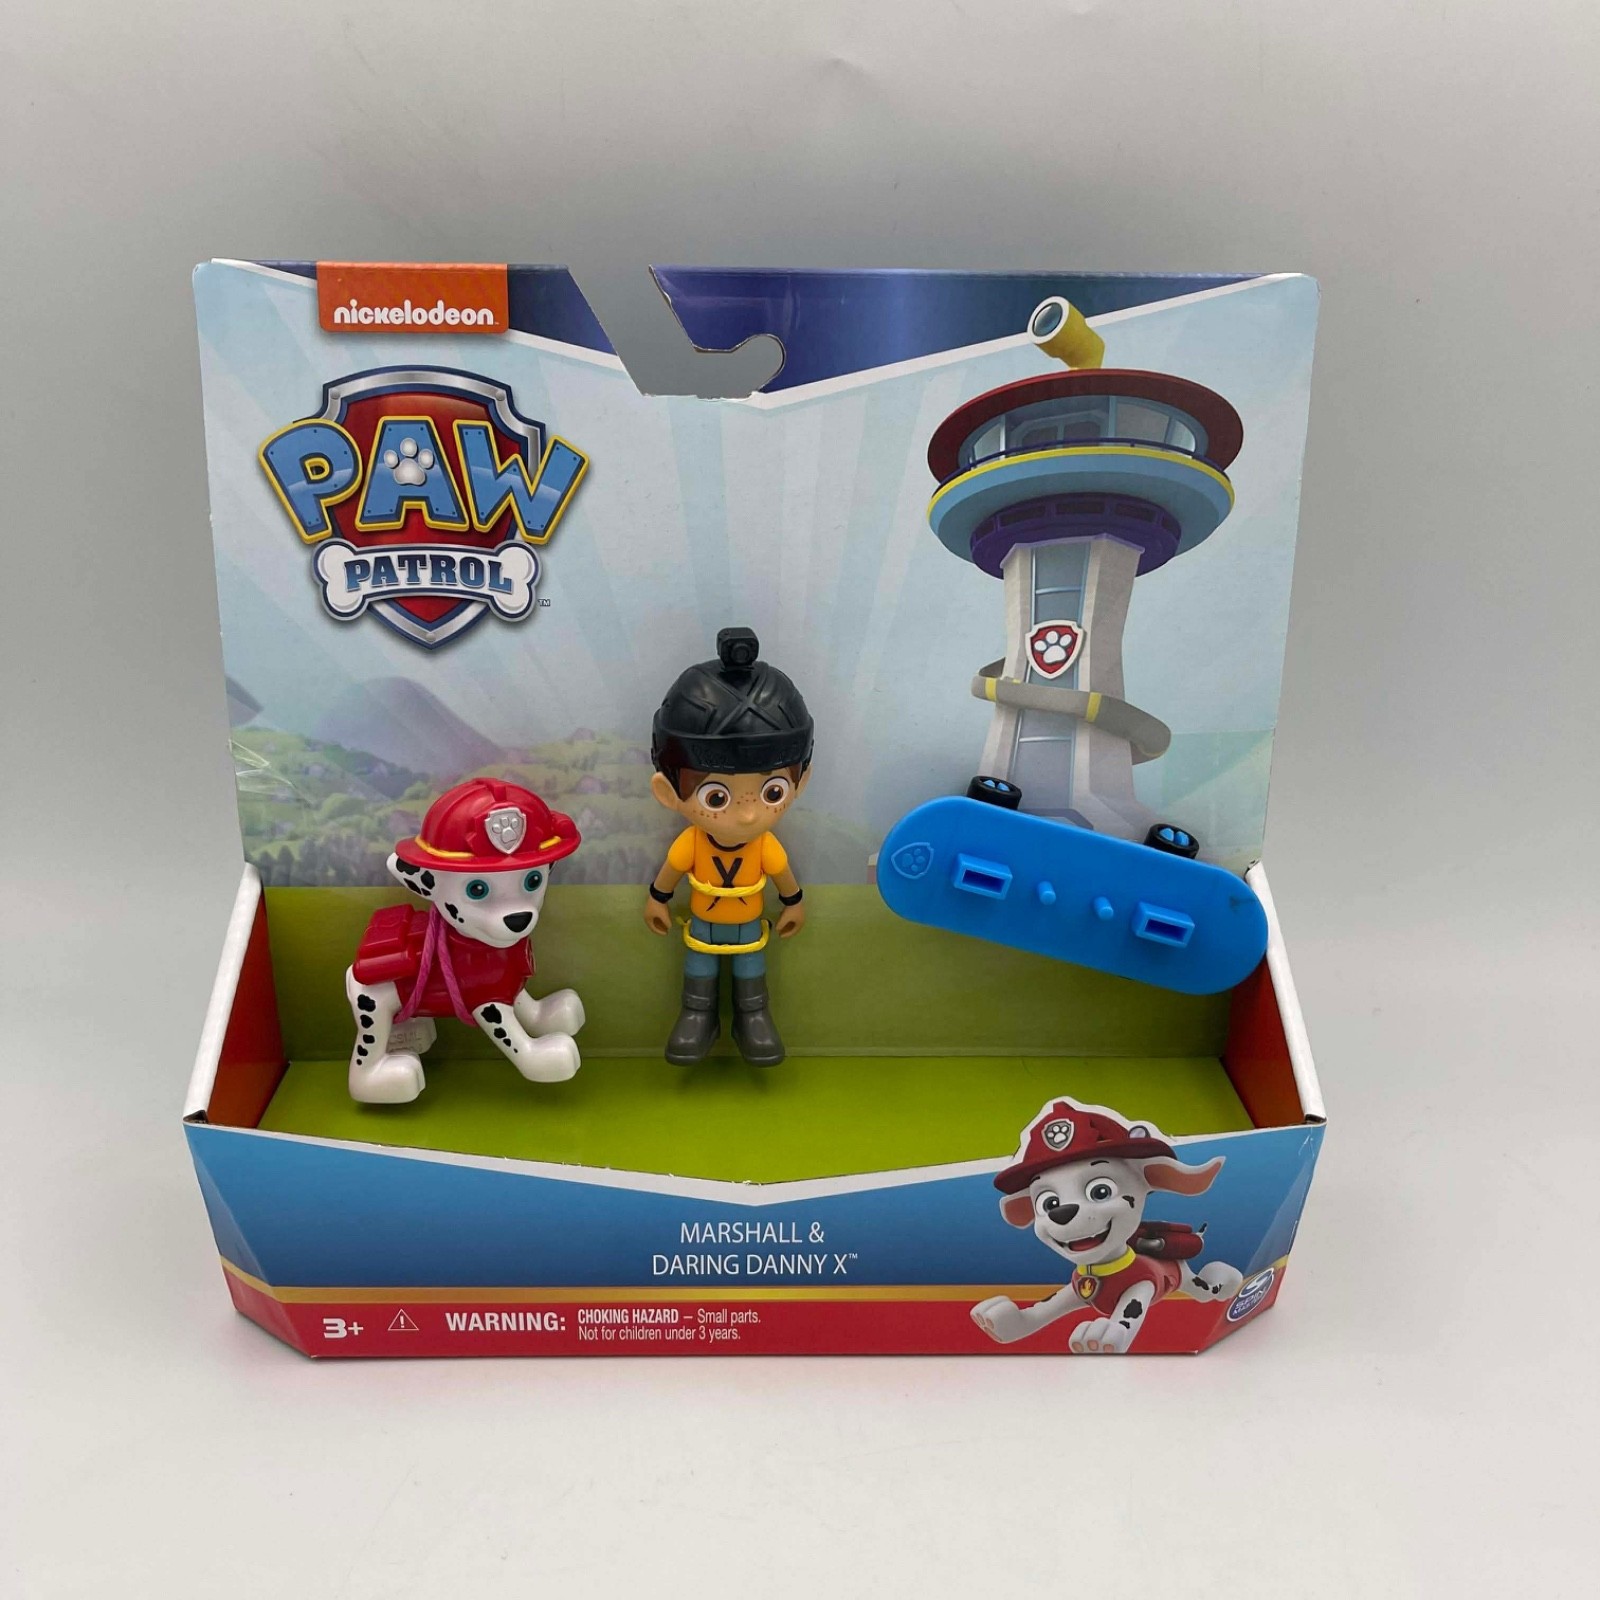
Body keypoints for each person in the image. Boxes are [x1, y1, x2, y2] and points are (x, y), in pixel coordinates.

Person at [644, 627, 813, 1066]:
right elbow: (669, 875)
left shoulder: (765, 847)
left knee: (750, 971)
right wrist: (657, 900)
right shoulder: (692, 843)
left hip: (748, 926)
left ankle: (752, 1016)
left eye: (772, 793)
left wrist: (794, 905)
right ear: (667, 792)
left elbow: (785, 880)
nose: (749, 816)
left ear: (800, 784)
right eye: (717, 797)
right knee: (699, 968)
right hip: (703, 925)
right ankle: (697, 1015)